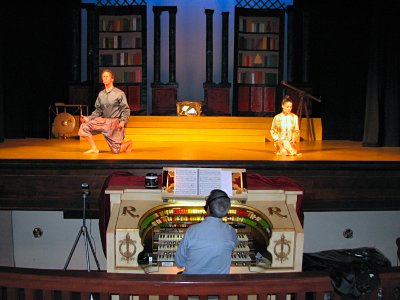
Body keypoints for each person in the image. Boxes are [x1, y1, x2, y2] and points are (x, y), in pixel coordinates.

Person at [174, 189, 239, 274]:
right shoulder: (231, 231)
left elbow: (179, 264)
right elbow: (234, 245)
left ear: (207, 208)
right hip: (220, 283)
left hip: (193, 283)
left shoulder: (192, 231)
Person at [78, 69, 132, 154]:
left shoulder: (119, 93)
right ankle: (94, 148)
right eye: (104, 77)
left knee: (116, 150)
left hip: (113, 123)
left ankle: (128, 143)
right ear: (102, 80)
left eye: (107, 76)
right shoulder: (101, 94)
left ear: (112, 79)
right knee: (84, 127)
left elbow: (125, 109)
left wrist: (123, 122)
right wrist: (88, 118)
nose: (105, 78)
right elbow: (98, 110)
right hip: (103, 121)